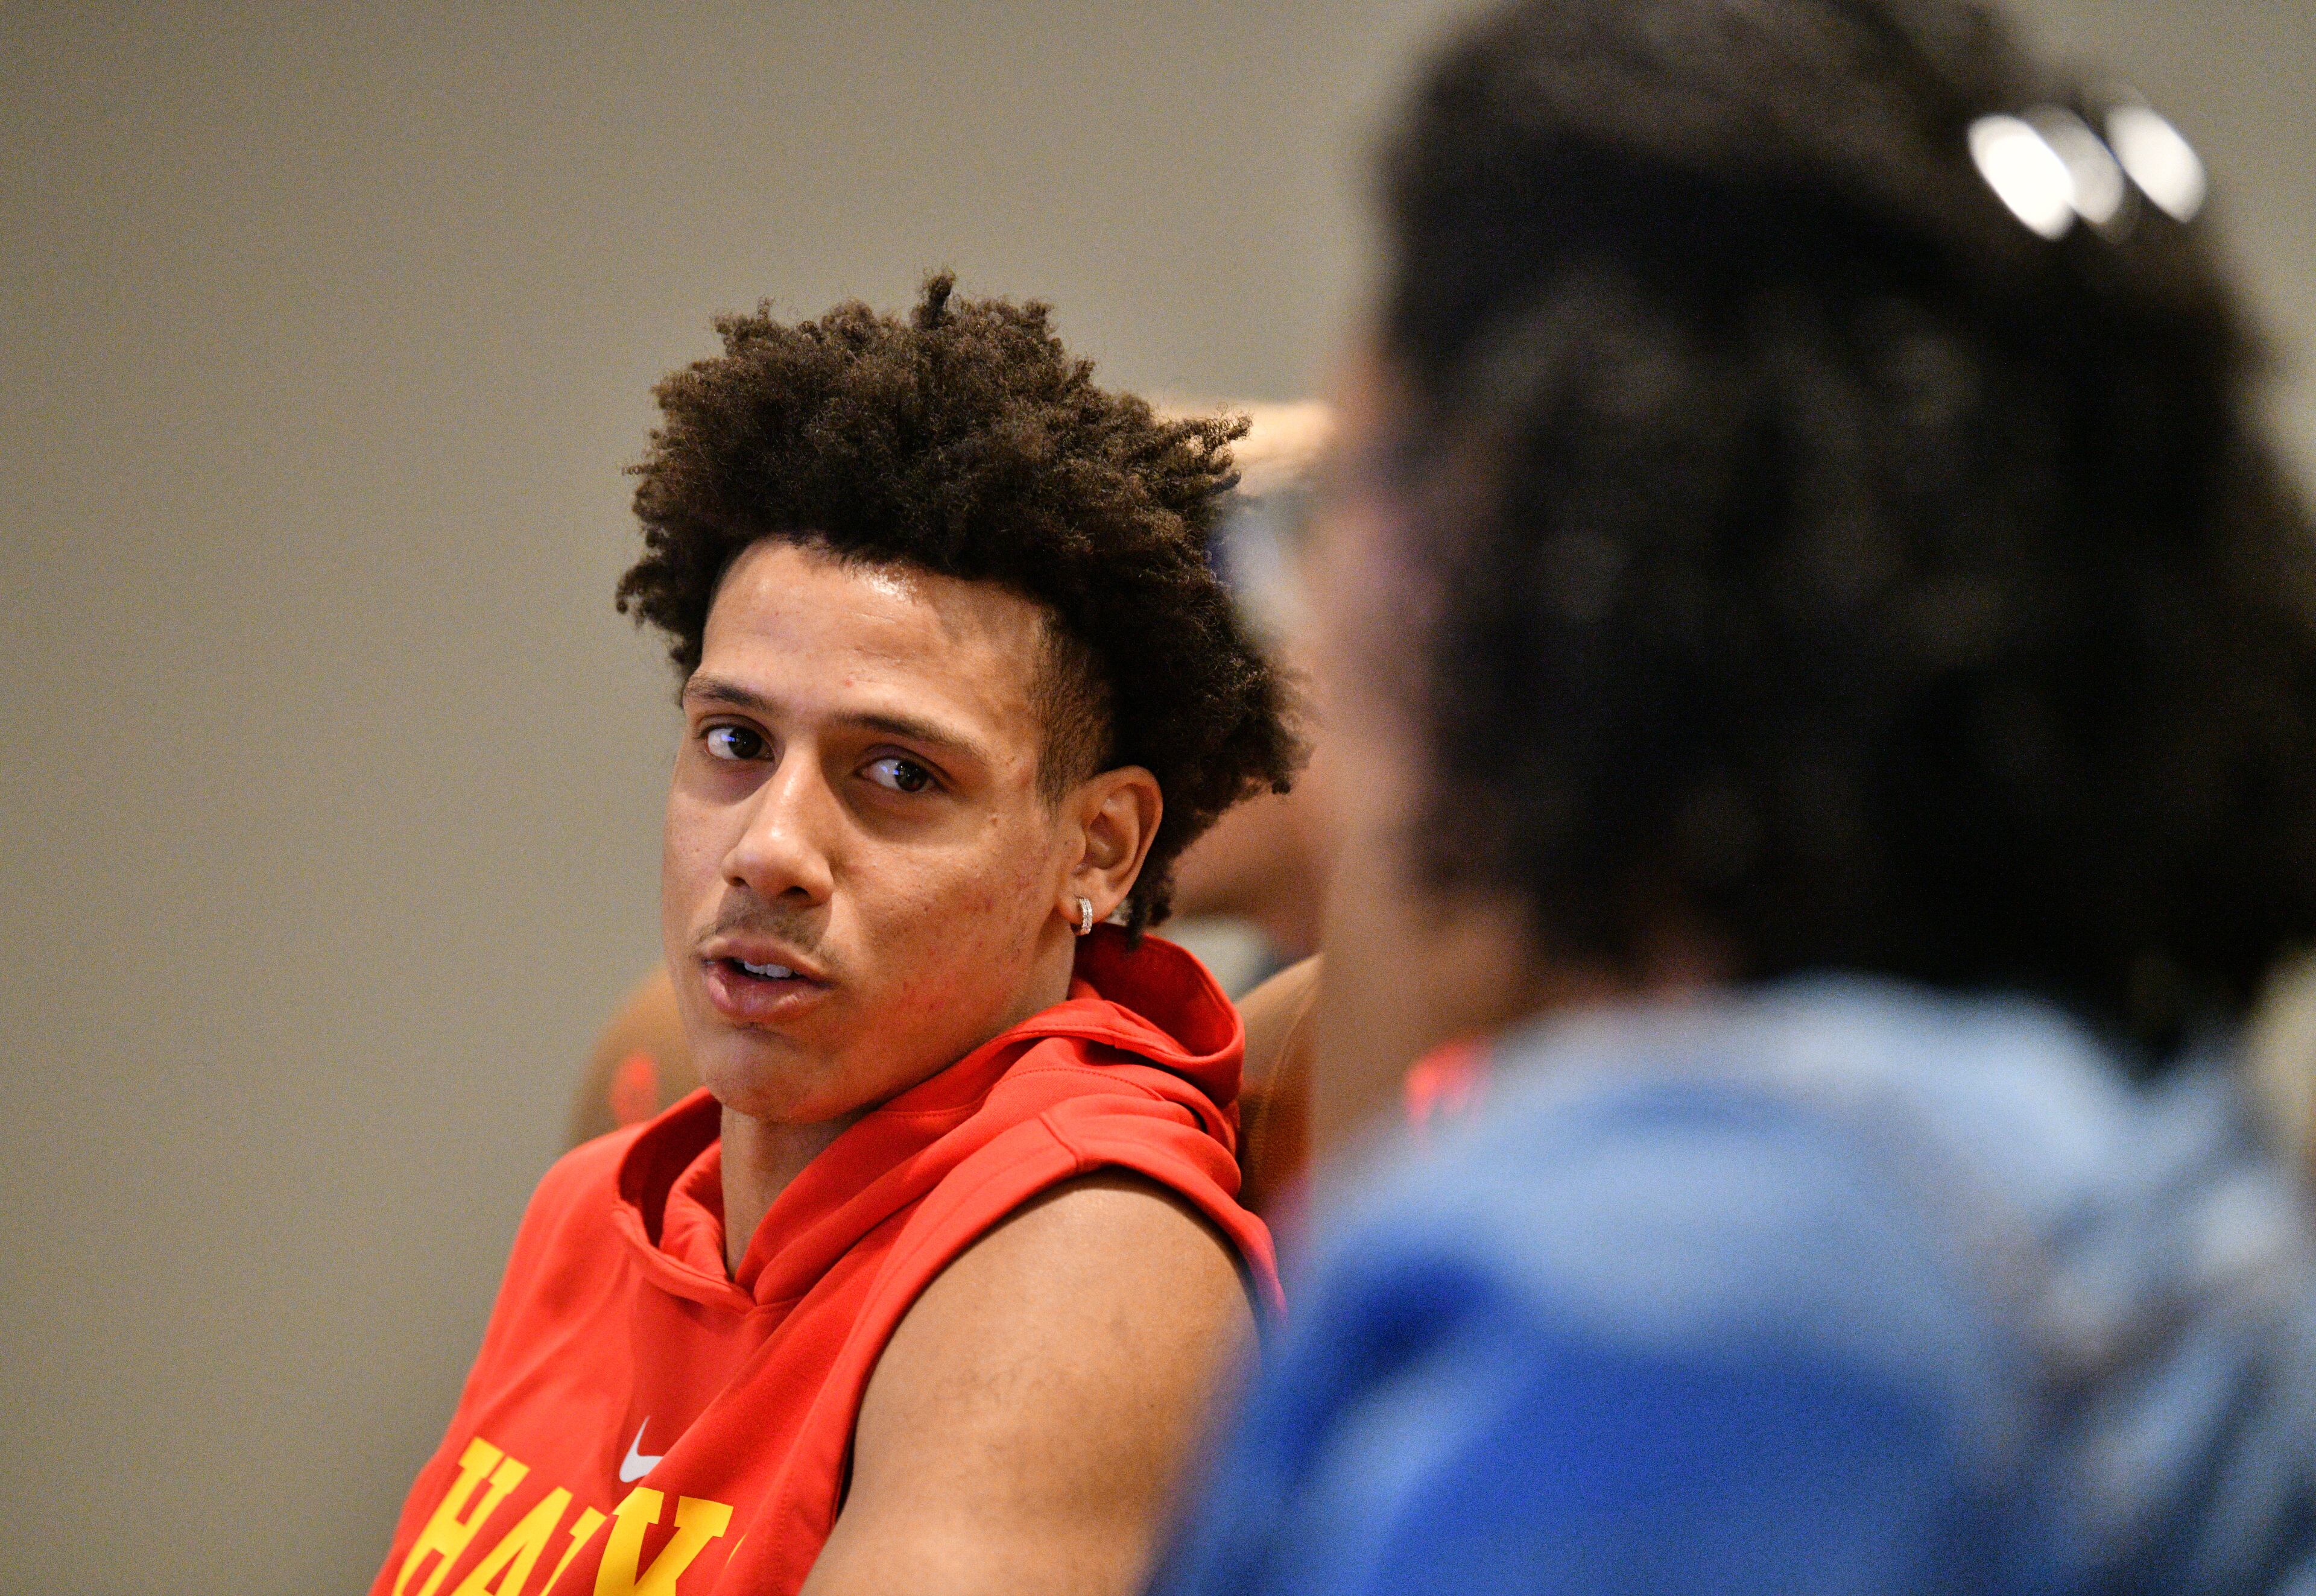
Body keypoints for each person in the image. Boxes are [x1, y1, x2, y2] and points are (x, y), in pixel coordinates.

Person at [1153, 0, 2316, 1591]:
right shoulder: (2104, 1138)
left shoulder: (1718, 1278)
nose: (1309, 626)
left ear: (1540, 568)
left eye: (1335, 510)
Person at [373, 276, 1300, 1596]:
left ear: (1096, 848)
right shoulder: (598, 1206)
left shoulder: (1088, 1252)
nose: (768, 848)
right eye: (736, 743)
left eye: (900, 774)